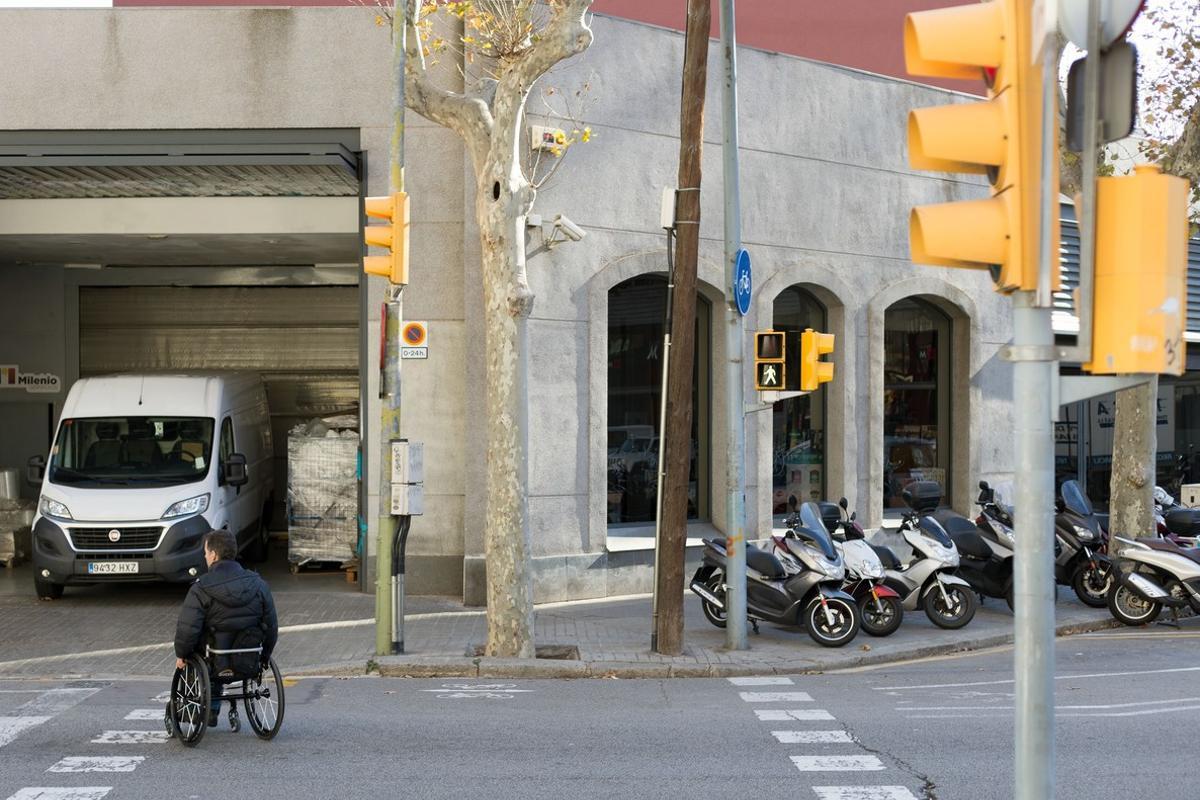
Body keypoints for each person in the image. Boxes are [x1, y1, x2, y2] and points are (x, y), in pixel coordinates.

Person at [173, 529, 279, 727]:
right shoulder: (258, 583)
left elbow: (188, 628)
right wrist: (265, 656)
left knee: (197, 650)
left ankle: (208, 709)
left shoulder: (201, 587)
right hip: (247, 657)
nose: (205, 556)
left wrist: (182, 654)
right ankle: (214, 707)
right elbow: (271, 625)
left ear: (213, 555)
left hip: (213, 658)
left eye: (205, 552)